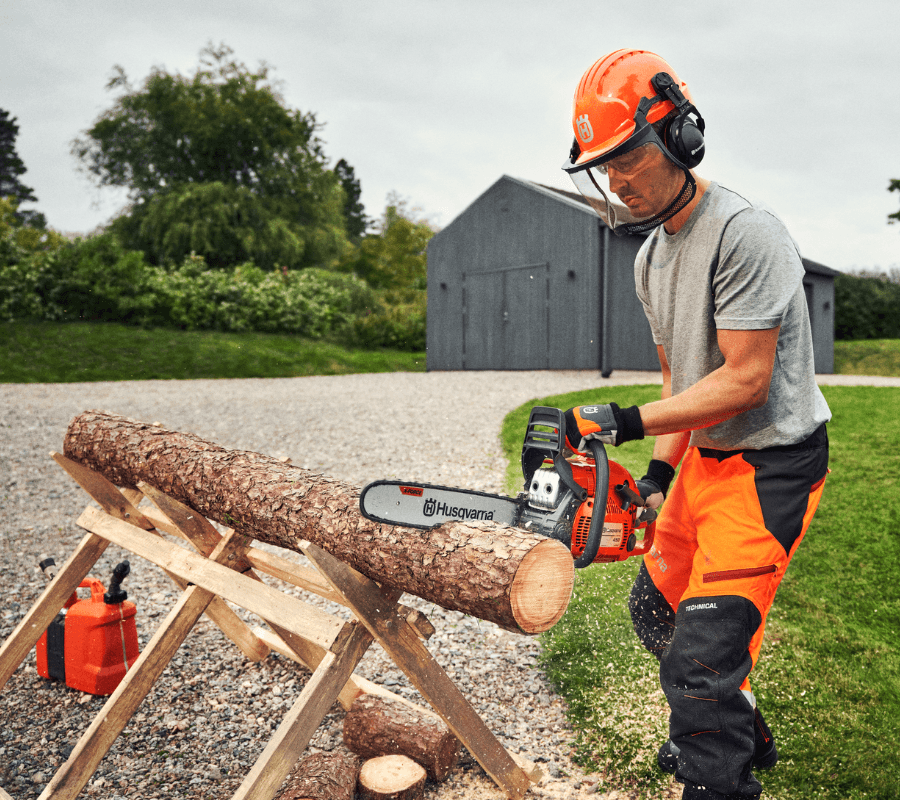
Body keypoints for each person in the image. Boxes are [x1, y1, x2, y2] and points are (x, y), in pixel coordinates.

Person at [559, 49, 831, 800]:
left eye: (628, 156)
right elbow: (685, 381)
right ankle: (736, 728)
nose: (618, 179)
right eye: (604, 166)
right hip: (706, 463)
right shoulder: (650, 258)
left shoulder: (748, 233)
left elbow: (743, 381)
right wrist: (656, 474)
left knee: (700, 665)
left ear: (680, 134)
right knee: (654, 609)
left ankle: (718, 765)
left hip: (770, 468)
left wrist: (625, 421)